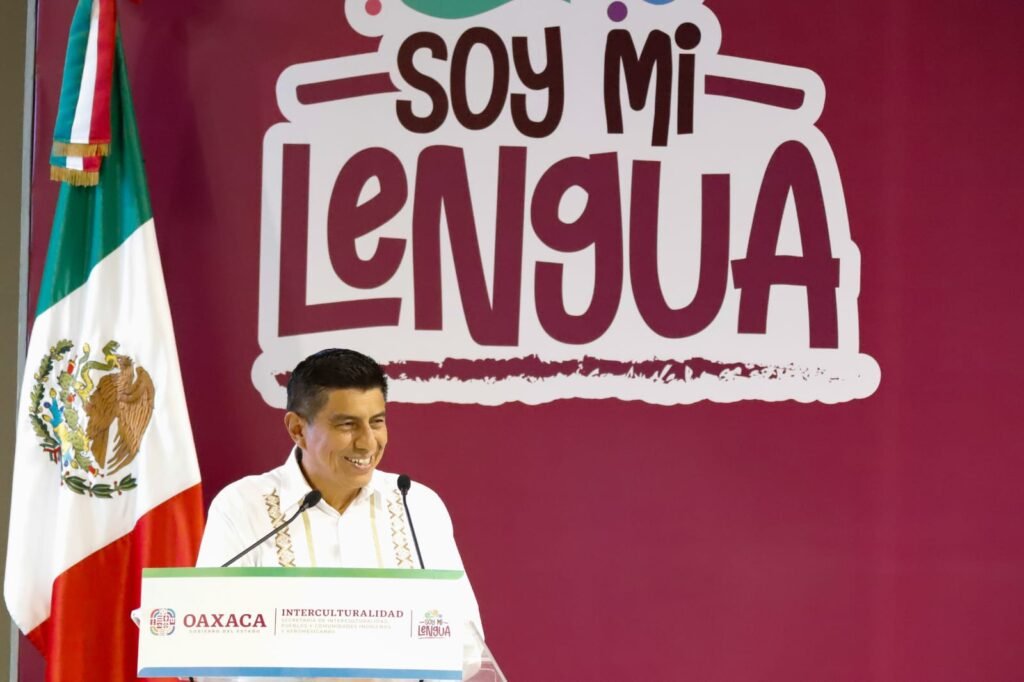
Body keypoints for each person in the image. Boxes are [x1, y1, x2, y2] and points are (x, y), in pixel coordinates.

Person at [195, 348, 482, 681]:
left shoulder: (417, 505)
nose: (368, 443)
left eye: (377, 422)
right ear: (297, 429)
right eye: (347, 425)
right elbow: (207, 648)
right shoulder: (244, 505)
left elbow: (467, 643)